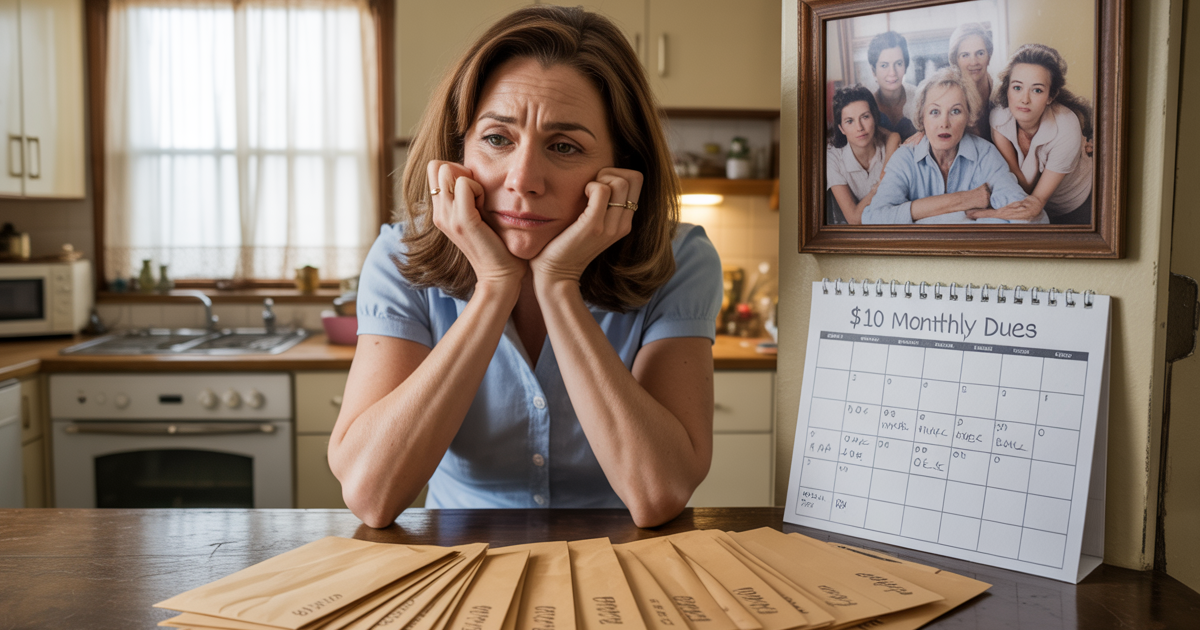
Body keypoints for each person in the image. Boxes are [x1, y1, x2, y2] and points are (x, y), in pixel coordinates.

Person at [327, 6, 723, 529]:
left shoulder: (681, 259)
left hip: (617, 555)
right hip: (459, 554)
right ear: (458, 151)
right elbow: (371, 495)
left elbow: (658, 493)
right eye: (498, 139)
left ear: (621, 168)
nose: (523, 179)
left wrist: (558, 286)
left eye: (564, 146)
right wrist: (495, 289)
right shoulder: (401, 256)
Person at [862, 67, 1047, 224]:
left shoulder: (985, 154)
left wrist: (919, 219)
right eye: (934, 112)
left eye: (955, 111)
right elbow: (873, 218)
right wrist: (965, 201)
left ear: (968, 116)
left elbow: (1030, 217)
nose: (944, 123)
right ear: (921, 116)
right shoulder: (905, 158)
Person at [990, 43, 1094, 225]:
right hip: (1029, 204)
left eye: (1037, 90)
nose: (1025, 99)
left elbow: (1036, 200)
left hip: (1074, 204)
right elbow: (1019, 183)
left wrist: (979, 214)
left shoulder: (1066, 128)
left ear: (1050, 97)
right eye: (1017, 87)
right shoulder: (998, 119)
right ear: (1007, 89)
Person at [826, 86, 901, 224]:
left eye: (865, 117)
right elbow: (854, 219)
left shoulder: (890, 149)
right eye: (850, 121)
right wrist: (880, 185)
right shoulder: (833, 157)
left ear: (875, 119)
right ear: (841, 128)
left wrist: (894, 138)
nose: (859, 127)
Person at [868, 31, 919, 141]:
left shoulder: (920, 97)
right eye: (884, 65)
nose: (892, 72)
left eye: (899, 64)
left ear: (906, 66)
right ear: (873, 71)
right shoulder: (866, 104)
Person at [949, 23, 996, 142]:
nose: (974, 62)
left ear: (989, 57)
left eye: (980, 53)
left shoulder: (1003, 91)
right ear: (955, 61)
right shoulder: (950, 96)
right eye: (965, 55)